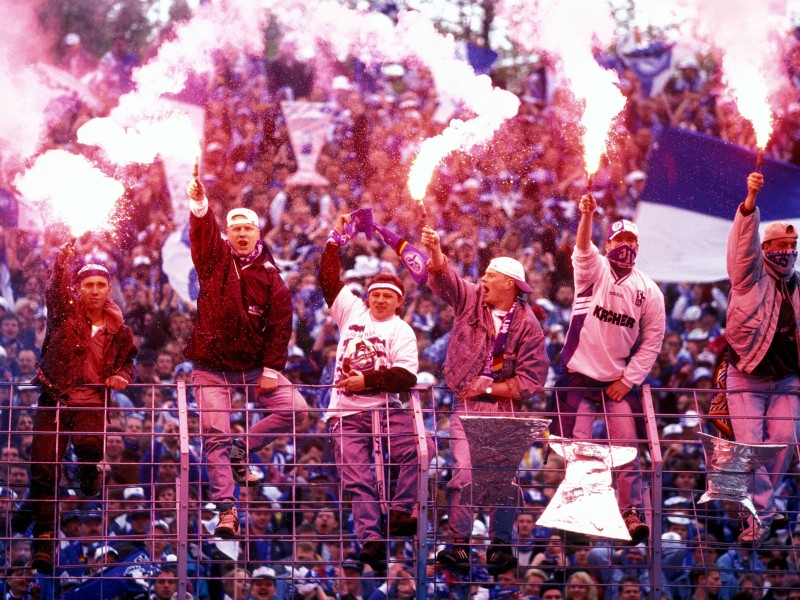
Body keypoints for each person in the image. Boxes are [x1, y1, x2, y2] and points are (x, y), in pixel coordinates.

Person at [420, 226, 548, 576]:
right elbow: (447, 280)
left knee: (502, 477)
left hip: (504, 408)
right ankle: (458, 544)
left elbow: (532, 380)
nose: (483, 279)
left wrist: (489, 388)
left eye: (491, 274)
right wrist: (435, 252)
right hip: (466, 406)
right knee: (463, 472)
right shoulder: (472, 298)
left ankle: (500, 546)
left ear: (510, 284)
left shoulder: (528, 325)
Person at [186, 172, 307, 539]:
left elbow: (280, 328)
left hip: (255, 367)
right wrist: (200, 205)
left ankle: (244, 447)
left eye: (248, 229)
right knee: (213, 435)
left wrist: (271, 369)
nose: (241, 234)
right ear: (228, 234)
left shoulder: (272, 278)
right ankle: (227, 511)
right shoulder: (212, 261)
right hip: (211, 367)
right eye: (235, 228)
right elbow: (203, 232)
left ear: (258, 234)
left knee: (297, 409)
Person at [552, 194, 665, 544]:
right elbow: (582, 249)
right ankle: (578, 511)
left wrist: (628, 379)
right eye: (619, 240)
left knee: (627, 448)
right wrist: (586, 215)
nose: (626, 246)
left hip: (616, 381)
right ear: (609, 243)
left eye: (632, 241)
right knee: (580, 448)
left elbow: (653, 341)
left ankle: (630, 512)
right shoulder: (593, 270)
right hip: (578, 374)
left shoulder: (649, 291)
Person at [21, 245, 137, 574]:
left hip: (92, 401)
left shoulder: (120, 330)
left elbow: (129, 364)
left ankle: (89, 471)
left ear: (109, 289)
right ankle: (43, 543)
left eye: (101, 285)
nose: (95, 290)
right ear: (79, 289)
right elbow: (55, 289)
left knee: (88, 446)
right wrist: (62, 260)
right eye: (88, 285)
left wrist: (121, 376)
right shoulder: (64, 314)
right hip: (55, 397)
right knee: (43, 469)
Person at [318, 213, 422, 572]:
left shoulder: (402, 330)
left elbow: (406, 376)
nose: (379, 301)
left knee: (421, 449)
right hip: (345, 412)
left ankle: (397, 511)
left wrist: (368, 381)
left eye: (386, 297)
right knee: (358, 478)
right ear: (367, 297)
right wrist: (334, 241)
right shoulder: (352, 312)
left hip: (385, 408)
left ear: (398, 301)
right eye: (375, 295)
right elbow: (328, 279)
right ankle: (372, 542)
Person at [724, 171, 800, 546]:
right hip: (746, 375)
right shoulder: (748, 275)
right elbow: (743, 247)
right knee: (751, 445)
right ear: (766, 249)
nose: (786, 251)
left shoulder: (799, 284)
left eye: (793, 243)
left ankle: (761, 505)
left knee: (786, 440)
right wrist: (749, 202)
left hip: (788, 377)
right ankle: (763, 516)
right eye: (779, 245)